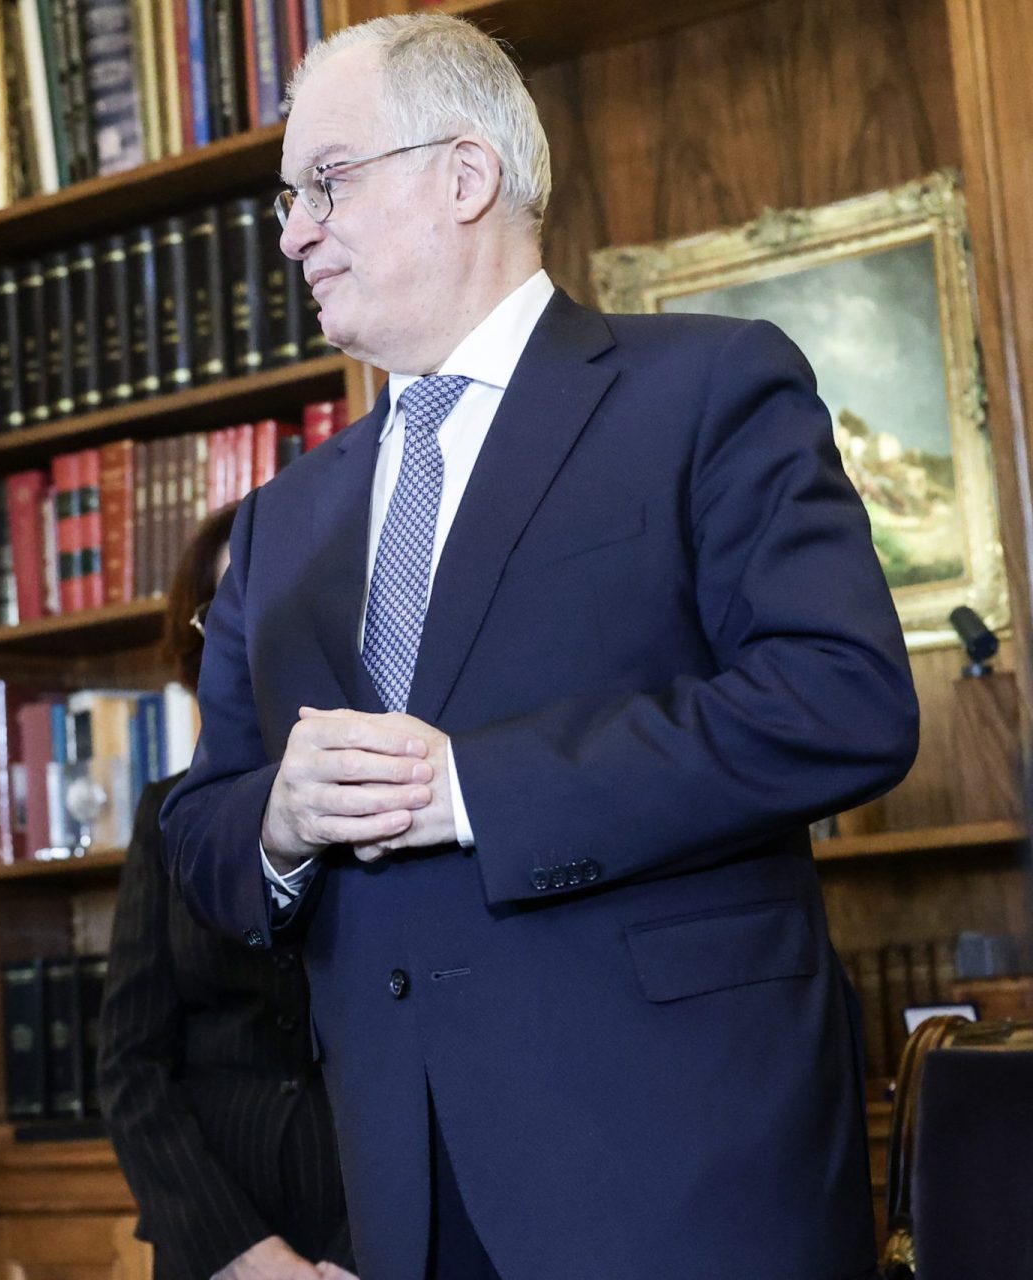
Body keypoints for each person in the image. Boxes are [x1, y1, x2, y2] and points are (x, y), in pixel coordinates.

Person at [159, 14, 918, 1280]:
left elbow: (840, 699)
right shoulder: (280, 521)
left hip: (683, 1172)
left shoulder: (708, 389)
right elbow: (202, 830)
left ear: (466, 175)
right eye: (288, 199)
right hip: (404, 1194)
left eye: (326, 182)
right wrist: (280, 823)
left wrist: (472, 786)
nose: (292, 233)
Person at [97, 505, 354, 1280]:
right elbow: (132, 1064)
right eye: (226, 615)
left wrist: (365, 1254)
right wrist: (239, 1252)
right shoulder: (167, 815)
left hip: (380, 1223)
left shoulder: (387, 790)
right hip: (215, 1237)